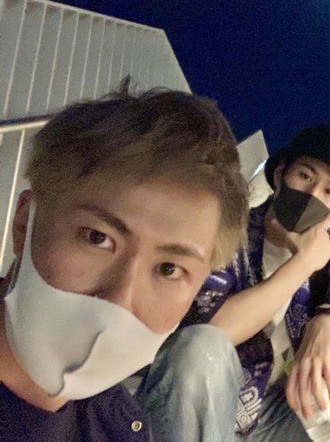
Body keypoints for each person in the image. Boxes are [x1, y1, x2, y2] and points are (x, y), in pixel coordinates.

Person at [0, 86, 249, 442]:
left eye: (168, 269)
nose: (119, 299)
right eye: (97, 238)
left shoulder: (119, 423)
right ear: (25, 223)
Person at [136, 125, 330, 442]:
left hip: (287, 415)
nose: (313, 194)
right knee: (200, 347)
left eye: (329, 192)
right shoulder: (228, 233)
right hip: (213, 411)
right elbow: (212, 331)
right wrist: (302, 264)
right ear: (279, 175)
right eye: (305, 176)